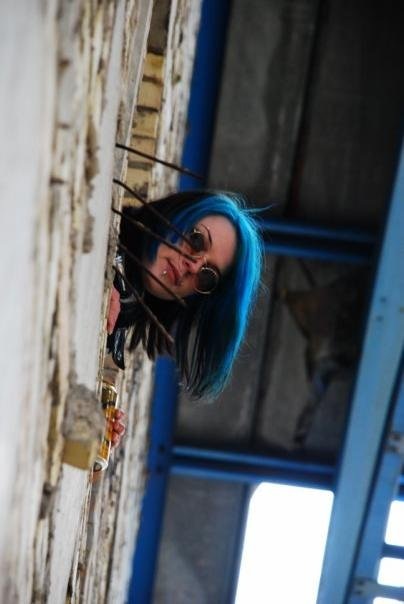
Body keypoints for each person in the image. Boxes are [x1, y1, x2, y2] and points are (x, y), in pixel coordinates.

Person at [107, 189, 263, 400]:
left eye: (207, 276)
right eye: (196, 240)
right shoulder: (100, 220)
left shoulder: (123, 314)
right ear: (175, 213)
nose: (194, 266)